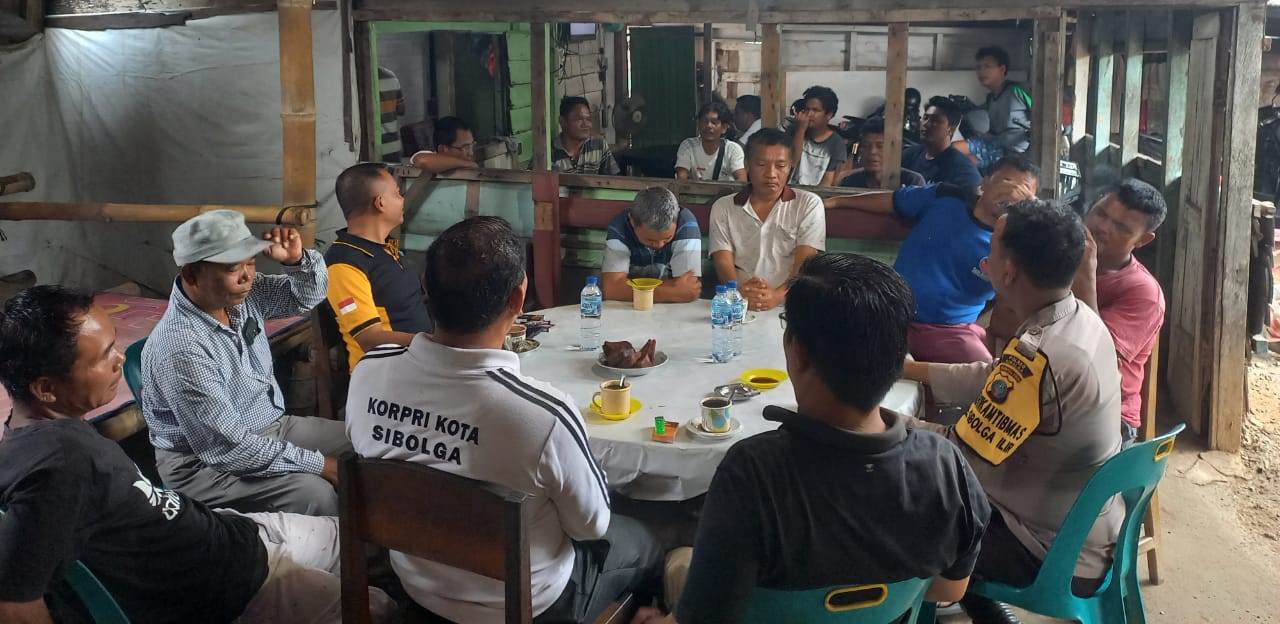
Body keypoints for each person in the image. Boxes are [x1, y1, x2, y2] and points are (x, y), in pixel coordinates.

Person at [630, 254, 991, 624]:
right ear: (898, 355)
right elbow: (950, 590)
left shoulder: (753, 474)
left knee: (677, 560)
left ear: (797, 351)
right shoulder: (946, 465)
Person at [0, 286, 394, 624]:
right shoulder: (62, 465)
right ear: (45, 388)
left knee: (369, 541)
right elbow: (16, 604)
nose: (119, 358)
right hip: (235, 579)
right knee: (379, 605)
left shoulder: (28, 437)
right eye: (104, 356)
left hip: (229, 530)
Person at [345, 216, 663, 623]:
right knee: (647, 542)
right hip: (531, 606)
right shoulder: (543, 415)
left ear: (425, 287)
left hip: (418, 590)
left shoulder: (369, 373)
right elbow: (591, 526)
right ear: (518, 299)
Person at [903, 200, 1123, 624]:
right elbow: (996, 377)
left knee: (904, 504)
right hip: (1081, 524)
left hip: (1048, 548)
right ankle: (988, 613)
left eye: (992, 249)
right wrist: (910, 369)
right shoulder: (1078, 318)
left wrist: (881, 421)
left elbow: (959, 452)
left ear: (1007, 273)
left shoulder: (1043, 354)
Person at [142, 210, 351, 516]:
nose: (247, 276)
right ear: (191, 274)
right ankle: (341, 548)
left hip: (270, 427)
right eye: (232, 268)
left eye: (251, 263)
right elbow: (228, 447)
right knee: (315, 494)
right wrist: (320, 464)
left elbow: (306, 298)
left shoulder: (242, 296)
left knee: (364, 442)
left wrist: (296, 262)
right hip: (205, 465)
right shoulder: (181, 347)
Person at [826, 156, 1039, 363]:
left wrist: (1029, 217)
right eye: (1007, 182)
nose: (1012, 193)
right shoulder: (946, 197)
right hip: (893, 312)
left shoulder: (1017, 245)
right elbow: (893, 200)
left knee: (983, 374)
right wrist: (837, 201)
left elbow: (1021, 296)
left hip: (951, 331)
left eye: (1023, 190)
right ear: (984, 183)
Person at [1072, 179, 1167, 444]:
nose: (1102, 227)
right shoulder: (1061, 252)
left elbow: (1096, 361)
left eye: (1122, 228)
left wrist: (1085, 273)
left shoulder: (1144, 293)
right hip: (1049, 389)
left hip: (1106, 413)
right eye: (1100, 213)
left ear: (1143, 240)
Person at [326, 162, 432, 371]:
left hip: (419, 362)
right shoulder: (344, 263)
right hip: (385, 373)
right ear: (380, 203)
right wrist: (437, 344)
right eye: (397, 194)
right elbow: (370, 339)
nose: (402, 199)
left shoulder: (385, 249)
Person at [710, 129, 826, 312]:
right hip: (740, 303)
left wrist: (778, 295)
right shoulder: (723, 207)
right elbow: (722, 260)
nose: (771, 173)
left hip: (792, 304)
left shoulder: (808, 204)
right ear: (747, 165)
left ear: (790, 167)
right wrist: (739, 293)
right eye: (761, 164)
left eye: (780, 165)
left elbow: (806, 261)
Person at [601, 187, 702, 303]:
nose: (659, 245)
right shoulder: (620, 226)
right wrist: (670, 292)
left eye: (667, 239)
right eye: (650, 240)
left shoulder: (686, 223)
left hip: (668, 307)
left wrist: (631, 290)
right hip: (631, 306)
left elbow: (688, 288)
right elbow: (612, 290)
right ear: (633, 222)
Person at [963, 47, 1033, 173]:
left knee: (966, 157)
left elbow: (1042, 114)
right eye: (979, 67)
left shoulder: (1017, 91)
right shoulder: (990, 99)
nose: (981, 71)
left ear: (1002, 69)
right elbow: (993, 133)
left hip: (1016, 153)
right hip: (998, 148)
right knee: (957, 151)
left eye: (987, 66)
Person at [903, 96, 983, 191]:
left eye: (935, 121)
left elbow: (976, 196)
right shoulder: (910, 154)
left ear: (950, 130)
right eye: (925, 118)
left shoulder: (962, 170)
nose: (925, 124)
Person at [838, 118, 927, 189]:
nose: (872, 151)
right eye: (866, 145)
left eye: (880, 146)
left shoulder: (912, 181)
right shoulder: (849, 182)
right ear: (860, 150)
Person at [789, 85, 847, 186]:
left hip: (818, 193)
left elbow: (828, 182)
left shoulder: (836, 143)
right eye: (807, 109)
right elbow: (792, 161)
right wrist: (801, 130)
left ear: (829, 115)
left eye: (815, 110)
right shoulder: (794, 131)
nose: (809, 114)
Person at [675, 101, 747, 182]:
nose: (709, 126)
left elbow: (742, 180)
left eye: (714, 122)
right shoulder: (688, 146)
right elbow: (681, 179)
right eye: (704, 121)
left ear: (724, 128)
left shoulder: (733, 149)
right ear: (698, 124)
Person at [552, 96, 621, 175]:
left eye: (588, 119)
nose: (586, 124)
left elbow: (613, 179)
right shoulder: (551, 153)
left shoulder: (598, 145)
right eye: (579, 119)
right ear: (562, 121)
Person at [408, 115, 481, 174]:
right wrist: (468, 164)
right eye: (465, 147)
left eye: (472, 145)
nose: (471, 153)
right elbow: (422, 161)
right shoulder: (429, 156)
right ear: (442, 149)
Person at [378, 66, 405, 163]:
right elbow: (401, 110)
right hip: (394, 145)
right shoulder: (391, 76)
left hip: (374, 148)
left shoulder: (361, 78)